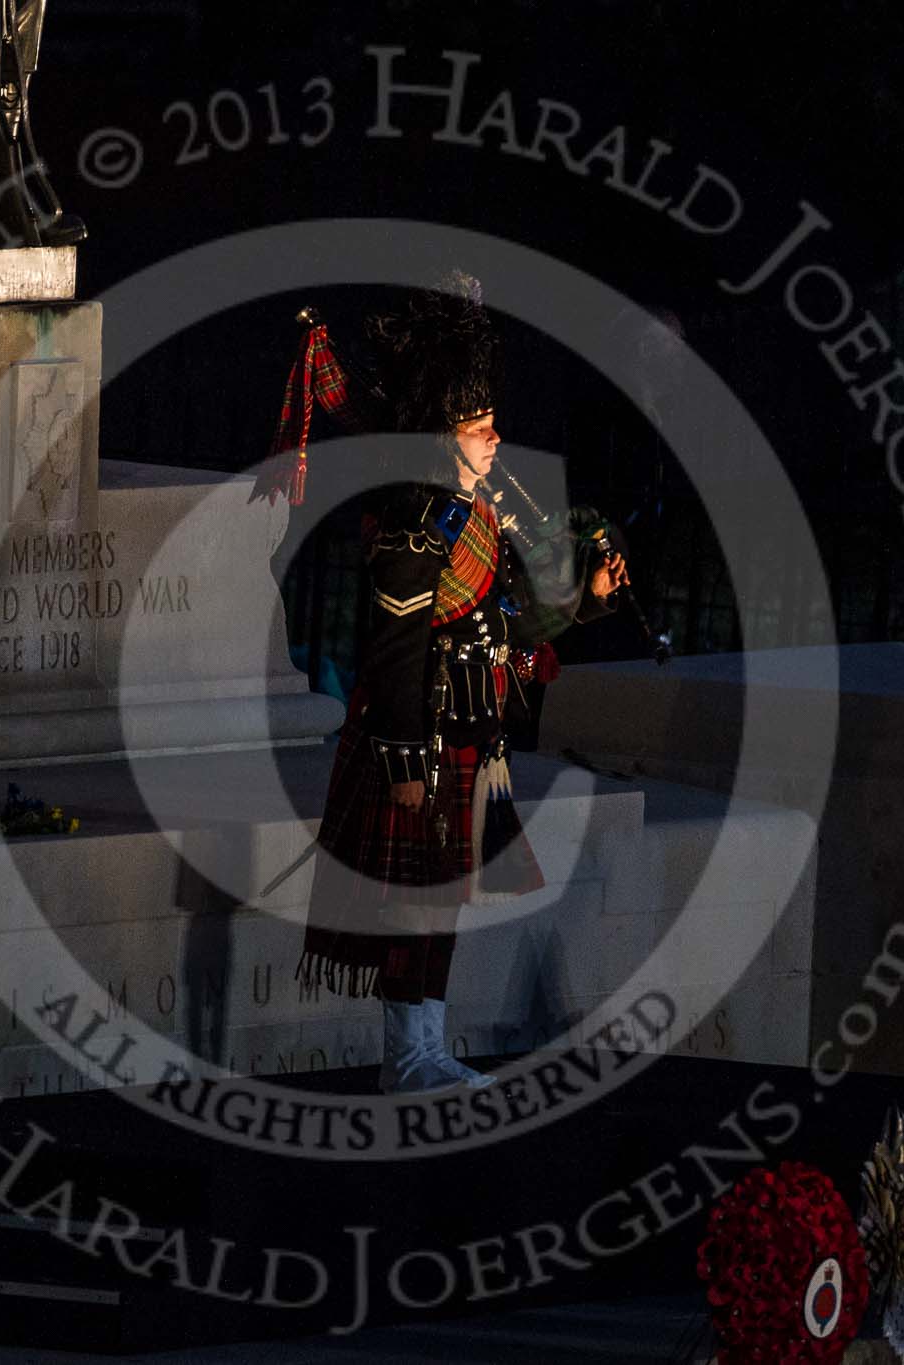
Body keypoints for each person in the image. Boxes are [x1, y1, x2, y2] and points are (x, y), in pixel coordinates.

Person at [295, 277, 627, 1093]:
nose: (495, 437)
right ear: (441, 435)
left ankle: (425, 1048)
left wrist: (587, 600)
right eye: (479, 427)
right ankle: (408, 1056)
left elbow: (504, 623)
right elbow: (395, 648)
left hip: (473, 729)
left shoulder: (474, 509)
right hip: (423, 735)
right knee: (413, 903)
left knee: (441, 901)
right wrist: (406, 759)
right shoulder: (416, 524)